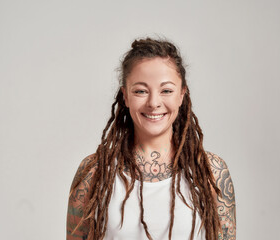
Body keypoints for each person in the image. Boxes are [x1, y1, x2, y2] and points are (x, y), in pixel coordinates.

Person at [66, 37, 236, 240]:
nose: (154, 103)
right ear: (125, 96)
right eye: (141, 91)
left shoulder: (211, 172)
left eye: (166, 90)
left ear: (182, 94)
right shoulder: (94, 173)